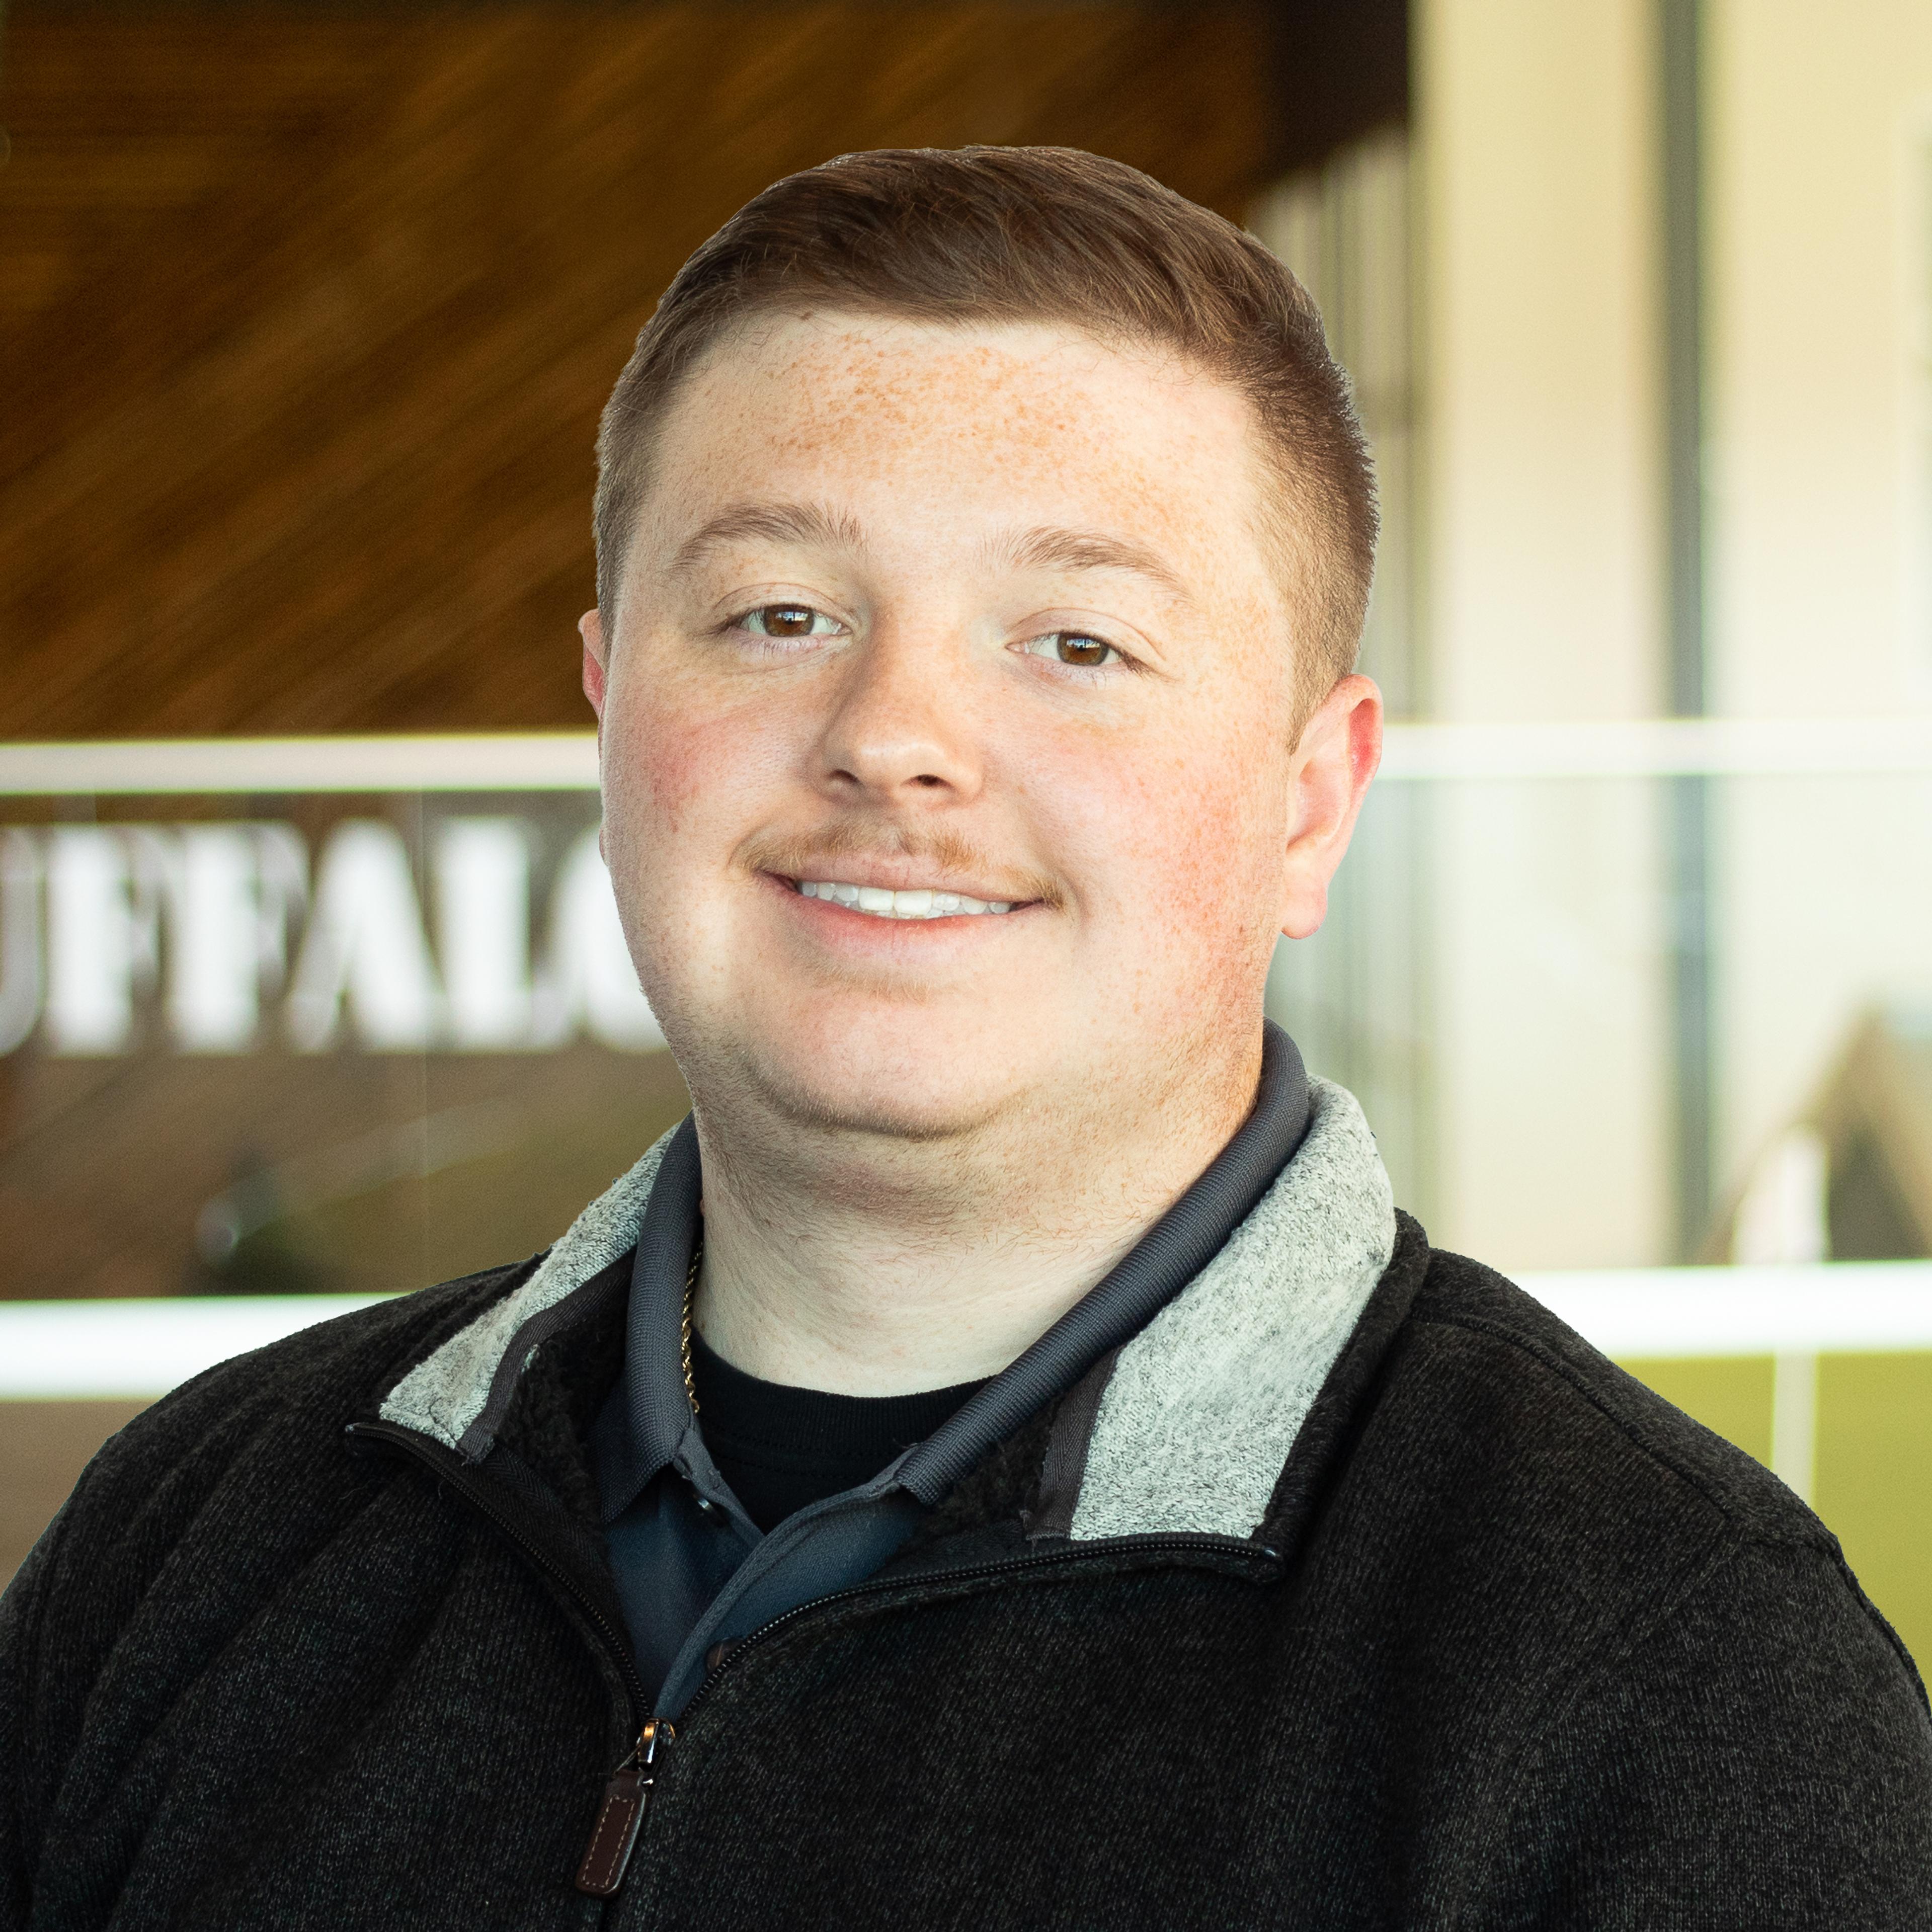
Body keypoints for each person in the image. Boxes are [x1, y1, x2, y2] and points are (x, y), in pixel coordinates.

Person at [4, 146, 1928, 1930]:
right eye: (773, 613)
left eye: (1076, 643)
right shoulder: (198, 1539)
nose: (892, 734)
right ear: (606, 715)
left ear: (1309, 804)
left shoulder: (1668, 1681)